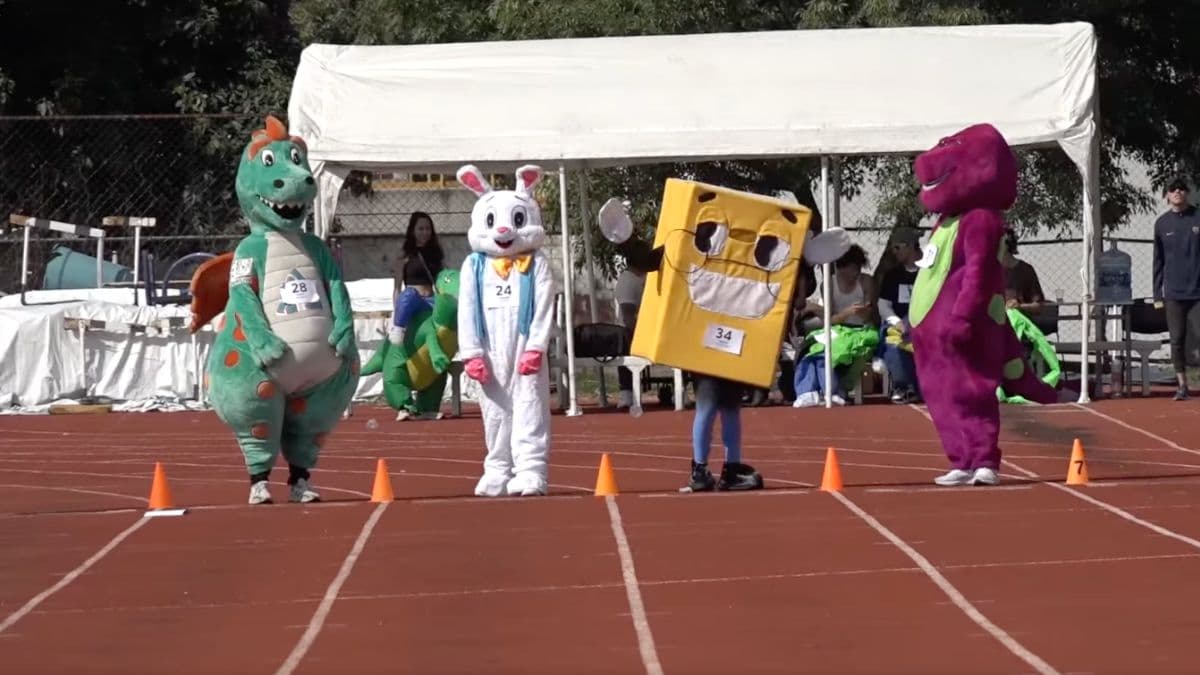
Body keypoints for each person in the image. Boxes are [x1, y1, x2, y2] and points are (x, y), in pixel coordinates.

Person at [792, 244, 877, 407]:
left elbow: (869, 315)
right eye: (852, 269)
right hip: (837, 328)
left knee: (830, 352)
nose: (856, 273)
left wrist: (862, 312)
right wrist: (848, 312)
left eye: (858, 268)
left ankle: (832, 391)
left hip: (861, 331)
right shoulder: (828, 284)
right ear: (840, 268)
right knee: (812, 351)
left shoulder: (866, 282)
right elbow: (830, 319)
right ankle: (806, 392)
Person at [1152, 176, 1200, 401]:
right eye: (1173, 189)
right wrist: (1157, 293)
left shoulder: (1197, 217)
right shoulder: (1162, 224)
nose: (1177, 192)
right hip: (1173, 294)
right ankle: (1182, 386)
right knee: (1176, 339)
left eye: (1181, 188)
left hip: (1197, 292)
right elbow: (1158, 261)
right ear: (1167, 195)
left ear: (1187, 193)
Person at [873, 228, 922, 403]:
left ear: (910, 246)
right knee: (893, 347)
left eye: (897, 247)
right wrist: (896, 322)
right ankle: (904, 387)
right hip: (899, 327)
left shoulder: (929, 272)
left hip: (924, 326)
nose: (894, 252)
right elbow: (883, 305)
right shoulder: (892, 276)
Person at [390, 212, 445, 345]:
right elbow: (397, 288)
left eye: (428, 229)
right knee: (408, 294)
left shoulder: (436, 253)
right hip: (413, 300)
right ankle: (398, 331)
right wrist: (396, 313)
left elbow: (444, 278)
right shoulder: (404, 254)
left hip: (431, 300)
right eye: (420, 229)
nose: (425, 232)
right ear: (412, 231)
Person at [1001, 229, 1046, 316]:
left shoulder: (1026, 270)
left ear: (1005, 245)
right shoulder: (987, 271)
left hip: (1019, 322)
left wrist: (1019, 307)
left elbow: (1038, 306)